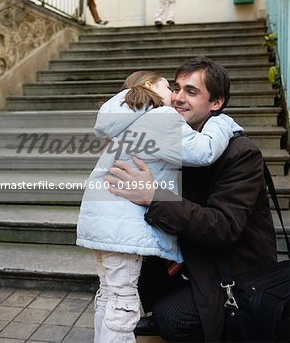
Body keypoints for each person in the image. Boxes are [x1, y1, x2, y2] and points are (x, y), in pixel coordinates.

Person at [104, 57, 277, 342]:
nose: (177, 98)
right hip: (192, 255)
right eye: (177, 88)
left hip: (232, 270)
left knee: (174, 319)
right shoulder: (179, 141)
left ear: (216, 103)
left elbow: (223, 226)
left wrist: (154, 196)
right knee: (134, 278)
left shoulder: (241, 153)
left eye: (191, 92)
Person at [76, 69, 243, 343]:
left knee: (109, 293)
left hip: (104, 223)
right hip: (123, 227)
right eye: (170, 87)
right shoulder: (159, 117)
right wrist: (222, 122)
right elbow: (203, 151)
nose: (175, 97)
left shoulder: (125, 119)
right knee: (123, 302)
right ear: (150, 86)